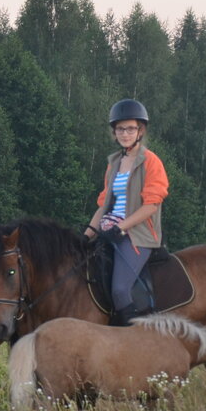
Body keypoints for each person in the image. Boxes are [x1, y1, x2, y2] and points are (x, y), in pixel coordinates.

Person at [85, 99, 170, 324]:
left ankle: (136, 337)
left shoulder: (151, 162)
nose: (125, 133)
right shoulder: (114, 163)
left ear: (140, 131)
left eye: (130, 128)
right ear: (114, 132)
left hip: (137, 235)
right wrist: (86, 235)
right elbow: (103, 205)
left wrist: (120, 229)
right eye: (120, 129)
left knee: (120, 289)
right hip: (109, 229)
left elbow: (151, 205)